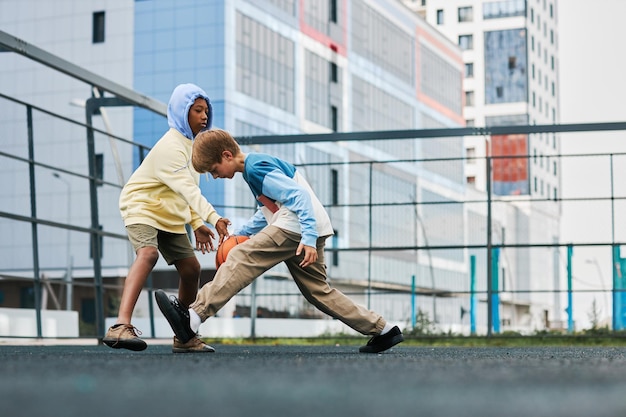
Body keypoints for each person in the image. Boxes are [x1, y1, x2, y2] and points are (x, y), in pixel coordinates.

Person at [155, 129, 404, 354]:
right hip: (308, 226)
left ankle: (193, 316)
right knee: (319, 293)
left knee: (242, 257)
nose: (216, 176)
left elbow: (298, 197)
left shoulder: (256, 168)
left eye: (213, 169)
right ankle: (383, 329)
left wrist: (307, 238)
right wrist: (241, 232)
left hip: (297, 227)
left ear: (227, 155)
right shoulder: (254, 168)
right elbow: (270, 211)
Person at [103, 84, 230, 353]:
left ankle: (184, 334)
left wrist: (197, 224)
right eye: (197, 110)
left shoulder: (193, 147)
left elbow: (189, 189)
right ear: (181, 112)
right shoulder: (170, 147)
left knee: (192, 269)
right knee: (148, 254)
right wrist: (213, 218)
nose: (204, 116)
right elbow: (187, 189)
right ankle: (120, 326)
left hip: (170, 216)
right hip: (142, 207)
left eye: (206, 111)